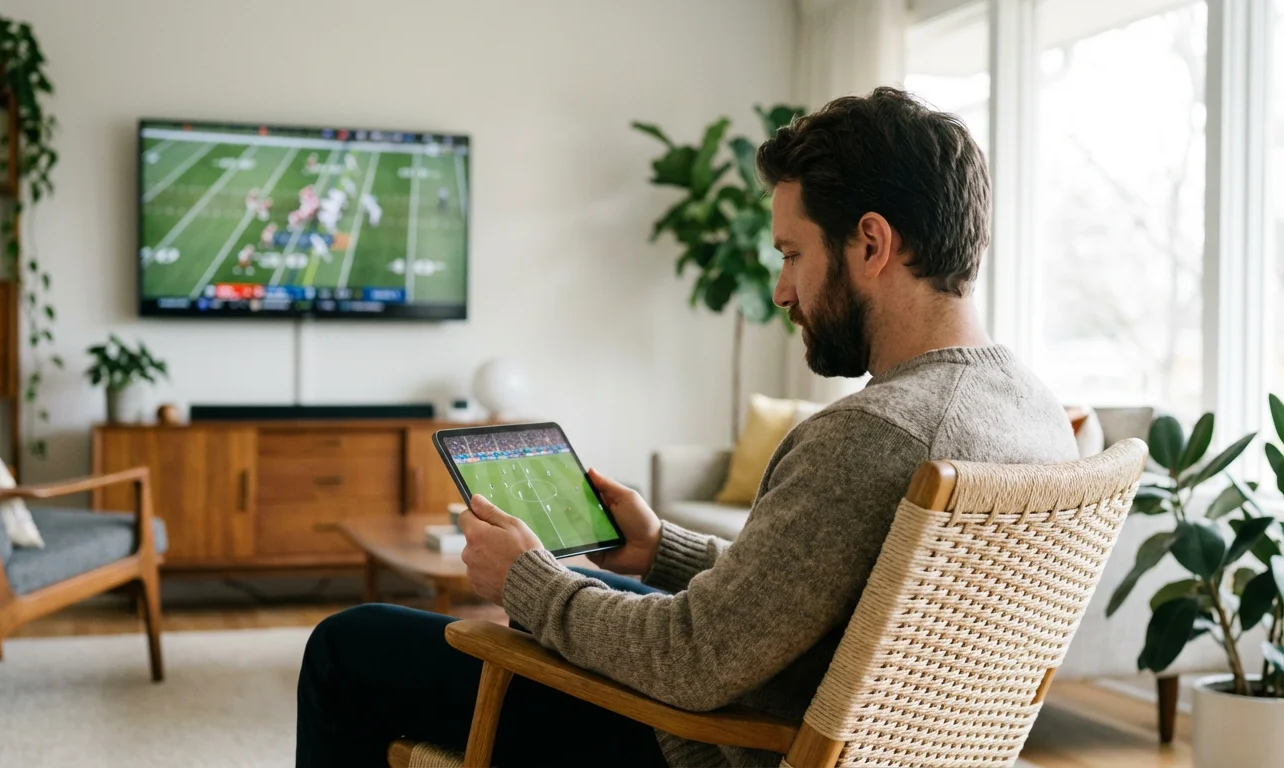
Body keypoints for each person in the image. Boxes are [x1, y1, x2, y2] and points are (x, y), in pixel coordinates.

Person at [296, 87, 1078, 768]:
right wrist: (659, 550)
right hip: (842, 732)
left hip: (710, 747)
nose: (781, 291)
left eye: (792, 254)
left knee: (349, 643)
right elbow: (826, 597)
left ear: (871, 243)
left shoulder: (875, 432)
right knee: (587, 586)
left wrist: (526, 581)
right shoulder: (1034, 413)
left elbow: (691, 661)